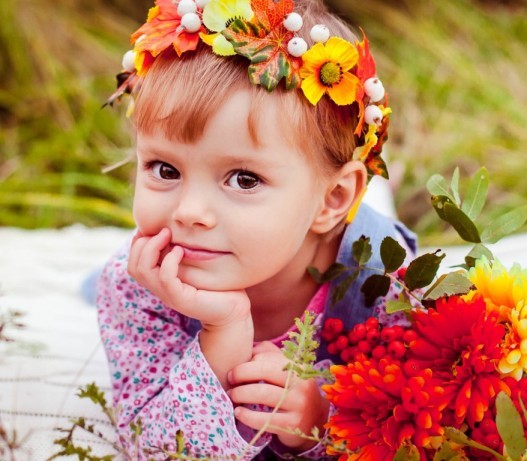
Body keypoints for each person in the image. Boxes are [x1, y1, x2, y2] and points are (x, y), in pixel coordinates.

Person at [96, 0, 415, 458]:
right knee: (98, 278)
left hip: (344, 244)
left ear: (332, 199)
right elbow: (160, 450)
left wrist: (326, 417)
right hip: (198, 259)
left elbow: (421, 427)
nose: (190, 212)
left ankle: (377, 199)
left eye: (245, 179)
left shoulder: (387, 289)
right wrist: (222, 330)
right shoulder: (138, 287)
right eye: (165, 169)